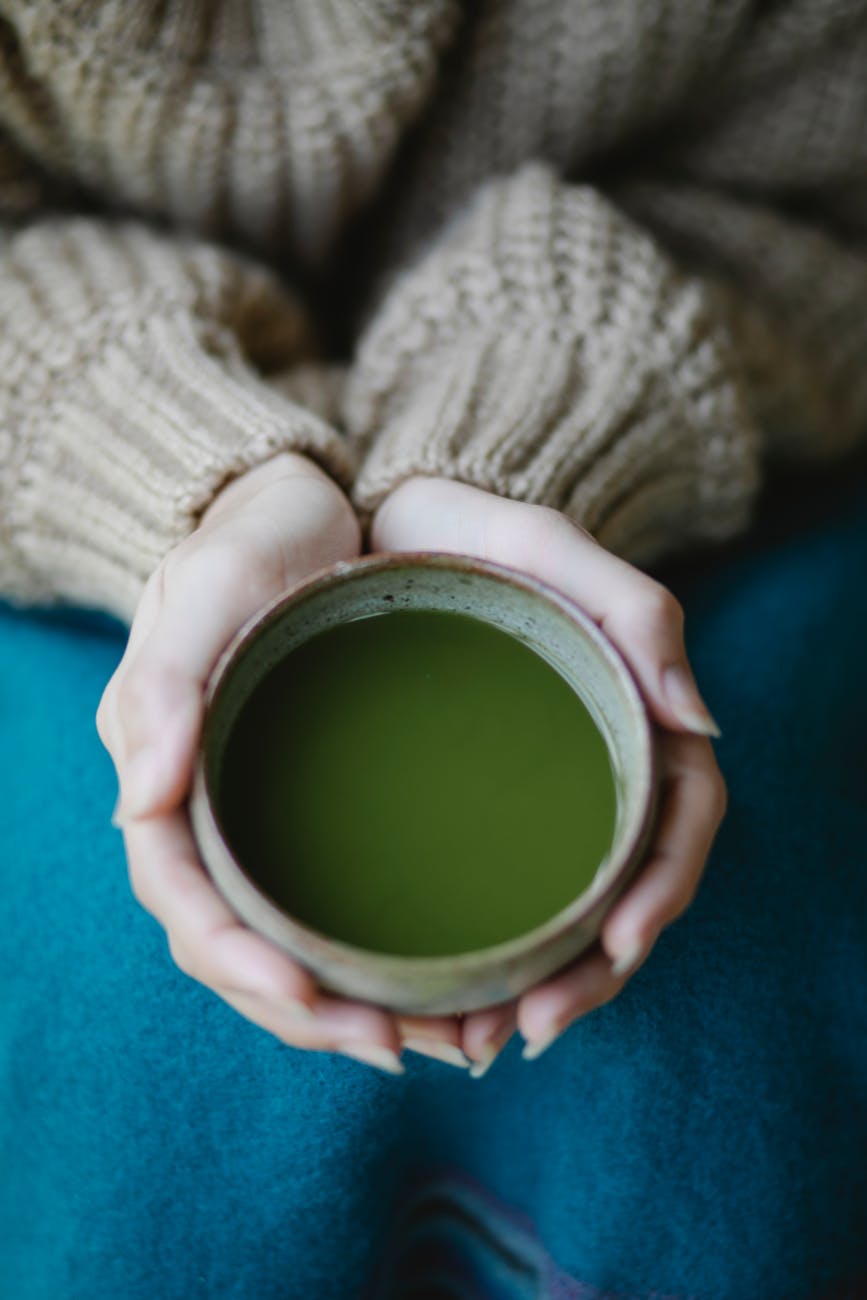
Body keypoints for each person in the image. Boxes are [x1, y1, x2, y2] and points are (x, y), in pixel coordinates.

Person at [1, 2, 866, 1296]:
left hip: (676, 433)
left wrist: (532, 437)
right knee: (132, 1017)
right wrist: (192, 475)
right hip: (58, 459)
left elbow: (811, 208)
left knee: (726, 1019)